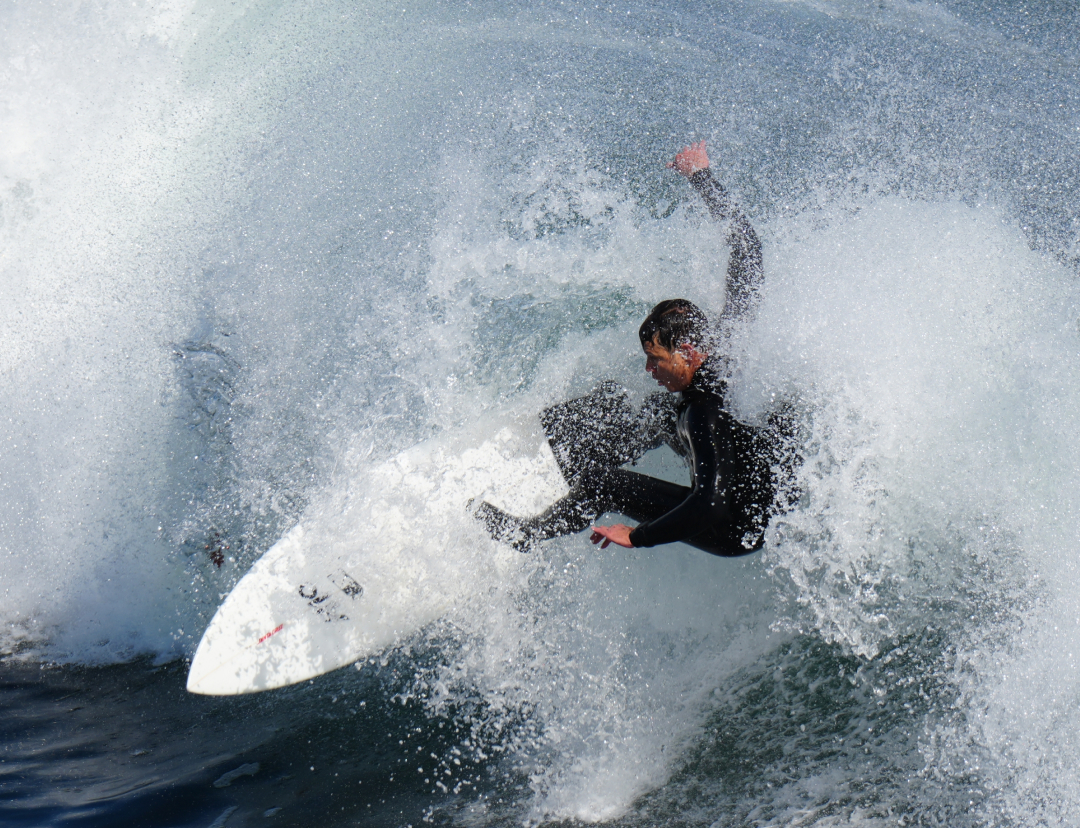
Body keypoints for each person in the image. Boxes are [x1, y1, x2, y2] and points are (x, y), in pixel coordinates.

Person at [472, 140, 784, 557]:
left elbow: (710, 503)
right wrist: (701, 175)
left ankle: (528, 534)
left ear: (689, 351)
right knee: (653, 411)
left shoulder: (703, 411)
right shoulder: (727, 346)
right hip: (748, 503)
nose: (649, 370)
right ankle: (578, 456)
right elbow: (748, 251)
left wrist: (638, 535)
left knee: (606, 482)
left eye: (656, 360)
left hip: (732, 527)